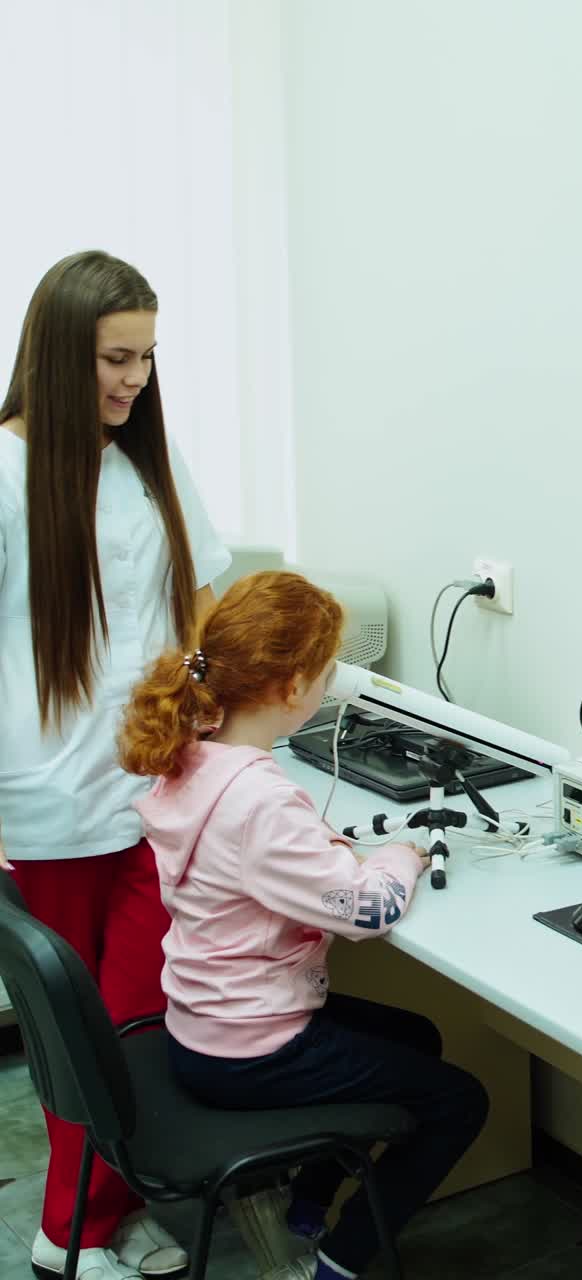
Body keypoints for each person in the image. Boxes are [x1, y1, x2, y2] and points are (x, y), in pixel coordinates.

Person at [118, 570, 489, 1280]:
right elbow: (370, 912)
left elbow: (263, 865)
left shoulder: (195, 758)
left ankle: (307, 1207)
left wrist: (326, 853)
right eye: (326, 673)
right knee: (461, 1101)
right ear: (294, 690)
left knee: (418, 1036)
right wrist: (399, 856)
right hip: (254, 1050)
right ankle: (342, 1260)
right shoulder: (257, 799)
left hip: (201, 1023)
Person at [0, 251, 230, 1280]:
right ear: (58, 354)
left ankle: (106, 1206)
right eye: (111, 358)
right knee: (74, 1039)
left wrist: (192, 685)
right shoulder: (6, 472)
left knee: (140, 1016)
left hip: (153, 786)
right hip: (44, 800)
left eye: (144, 356)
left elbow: (197, 605)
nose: (132, 379)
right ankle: (68, 1230)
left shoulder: (147, 459)